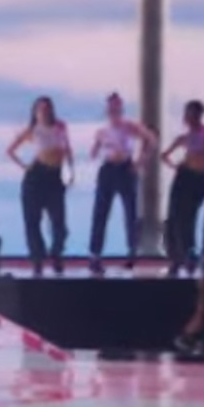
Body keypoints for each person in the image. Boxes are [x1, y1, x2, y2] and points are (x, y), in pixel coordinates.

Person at [87, 93, 156, 275]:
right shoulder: (102, 131)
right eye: (111, 107)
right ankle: (95, 254)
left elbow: (151, 139)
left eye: (117, 107)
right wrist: (96, 150)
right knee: (101, 212)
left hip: (125, 169)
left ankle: (132, 251)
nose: (114, 110)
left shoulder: (130, 126)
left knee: (130, 212)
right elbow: (94, 151)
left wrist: (140, 161)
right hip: (108, 169)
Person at [6, 96, 74, 277]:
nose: (43, 112)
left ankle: (56, 253)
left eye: (46, 108)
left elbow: (67, 150)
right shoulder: (32, 130)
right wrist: (24, 166)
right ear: (35, 112)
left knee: (59, 222)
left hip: (55, 176)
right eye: (40, 109)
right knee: (32, 220)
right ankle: (37, 259)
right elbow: (10, 150)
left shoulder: (60, 126)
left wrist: (70, 171)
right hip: (36, 176)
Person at [162, 100, 204, 276]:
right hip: (184, 177)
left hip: (199, 179)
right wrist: (176, 166)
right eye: (188, 114)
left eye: (193, 114)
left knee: (189, 216)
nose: (190, 118)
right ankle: (175, 258)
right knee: (174, 216)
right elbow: (164, 155)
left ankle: (190, 255)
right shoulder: (185, 137)